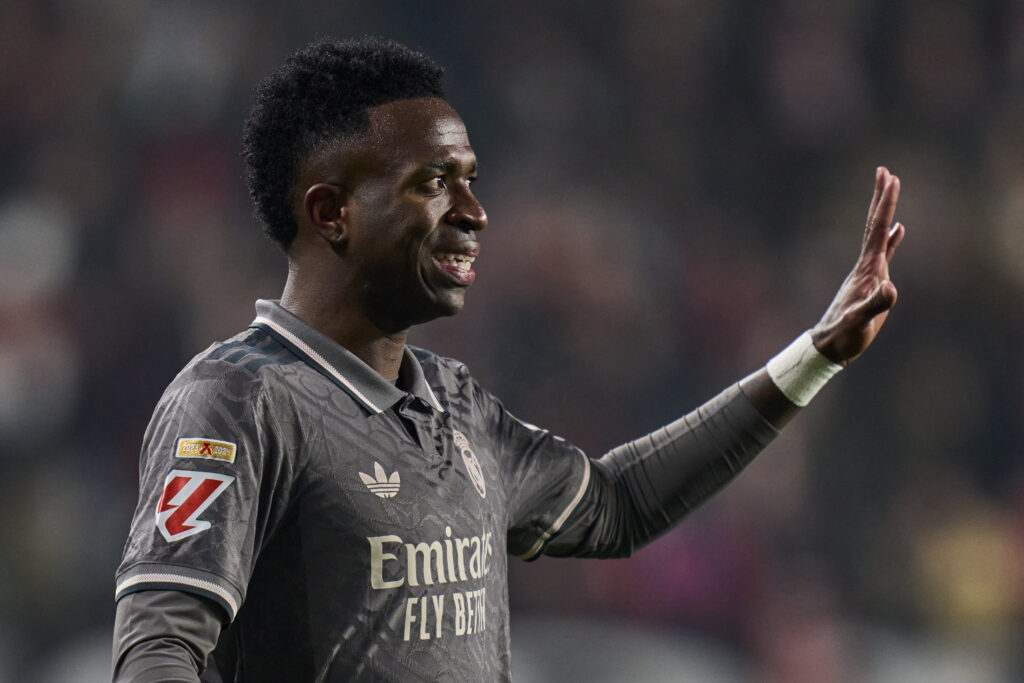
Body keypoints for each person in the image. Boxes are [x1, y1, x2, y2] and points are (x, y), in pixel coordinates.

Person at [112, 37, 905, 682]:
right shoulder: (238, 401)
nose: (474, 212)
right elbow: (158, 648)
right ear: (331, 212)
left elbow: (614, 505)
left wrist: (816, 355)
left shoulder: (452, 403)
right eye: (434, 182)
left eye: (471, 181)